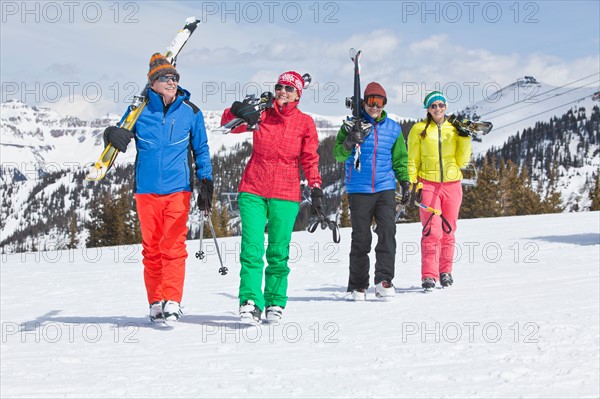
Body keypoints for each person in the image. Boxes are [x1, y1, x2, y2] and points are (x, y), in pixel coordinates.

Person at [103, 53, 213, 323]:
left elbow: (201, 149)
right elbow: (121, 135)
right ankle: (156, 301)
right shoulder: (139, 111)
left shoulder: (191, 112)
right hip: (146, 190)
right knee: (151, 249)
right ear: (152, 82)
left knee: (174, 247)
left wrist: (206, 182)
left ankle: (173, 300)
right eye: (165, 78)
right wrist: (110, 135)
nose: (171, 82)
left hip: (178, 190)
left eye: (174, 78)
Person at [220, 71, 323, 323]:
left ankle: (275, 301)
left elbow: (309, 158)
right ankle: (250, 301)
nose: (283, 92)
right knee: (252, 248)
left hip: (286, 193)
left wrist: (316, 186)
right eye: (280, 87)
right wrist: (238, 110)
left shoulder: (305, 122)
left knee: (278, 251)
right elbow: (227, 124)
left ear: (298, 94)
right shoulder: (262, 114)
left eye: (289, 89)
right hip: (253, 188)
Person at [333, 82, 410, 301]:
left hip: (385, 187)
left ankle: (384, 280)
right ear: (363, 102)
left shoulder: (393, 128)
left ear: (384, 104)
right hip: (359, 188)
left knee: (387, 232)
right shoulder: (350, 125)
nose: (374, 107)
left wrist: (404, 181)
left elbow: (400, 159)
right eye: (370, 102)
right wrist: (349, 141)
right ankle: (358, 285)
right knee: (361, 237)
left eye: (379, 102)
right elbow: (338, 155)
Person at [407, 91, 472, 290]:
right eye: (433, 105)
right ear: (427, 108)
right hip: (428, 184)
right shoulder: (418, 129)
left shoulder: (453, 129)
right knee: (430, 231)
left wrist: (465, 138)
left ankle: (446, 272)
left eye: (441, 105)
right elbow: (412, 159)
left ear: (445, 107)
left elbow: (463, 161)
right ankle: (429, 275)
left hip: (452, 186)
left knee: (448, 231)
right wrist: (412, 184)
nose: (437, 109)